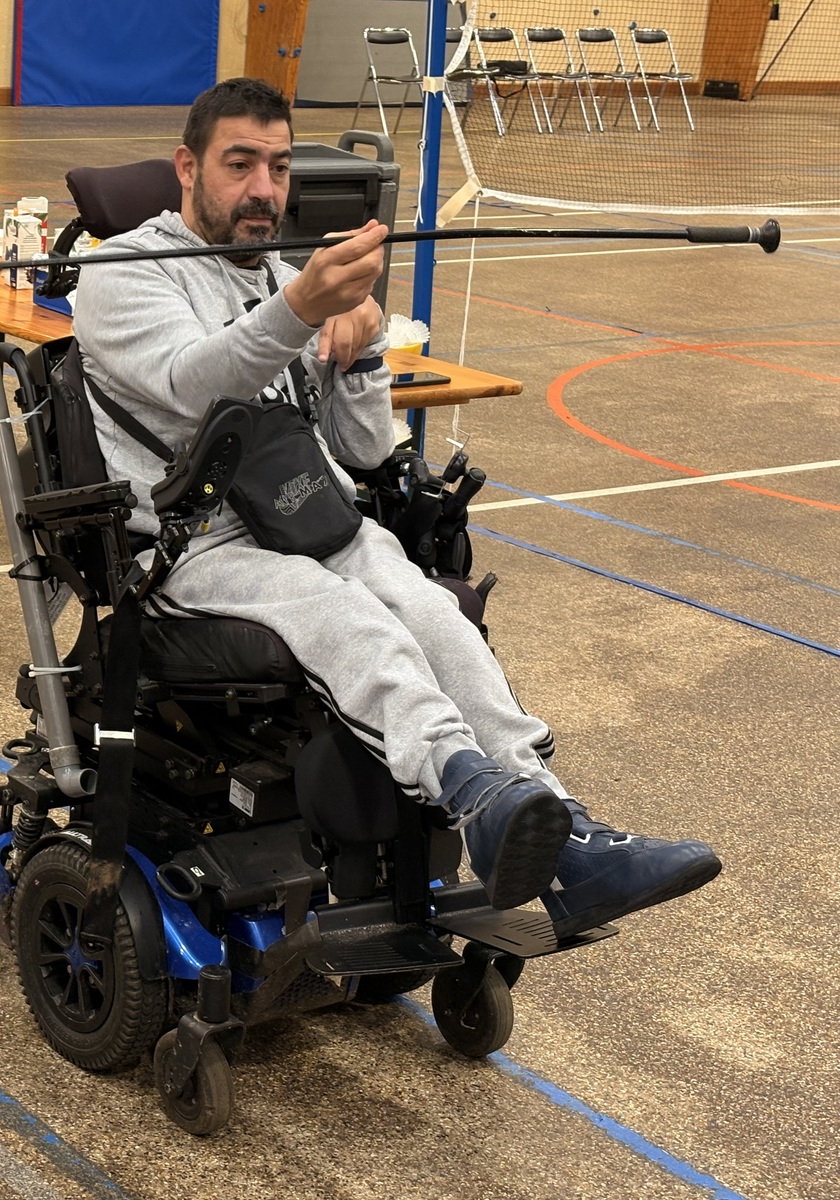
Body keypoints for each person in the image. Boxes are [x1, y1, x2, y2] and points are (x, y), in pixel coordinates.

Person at [70, 77, 720, 935]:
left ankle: (561, 827)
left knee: (432, 610)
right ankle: (470, 789)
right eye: (240, 164)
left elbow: (367, 449)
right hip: (194, 546)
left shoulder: (287, 273)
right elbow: (195, 383)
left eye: (278, 167)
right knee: (350, 618)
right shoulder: (120, 273)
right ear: (188, 168)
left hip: (311, 517)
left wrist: (366, 349)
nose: (264, 189)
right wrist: (301, 311)